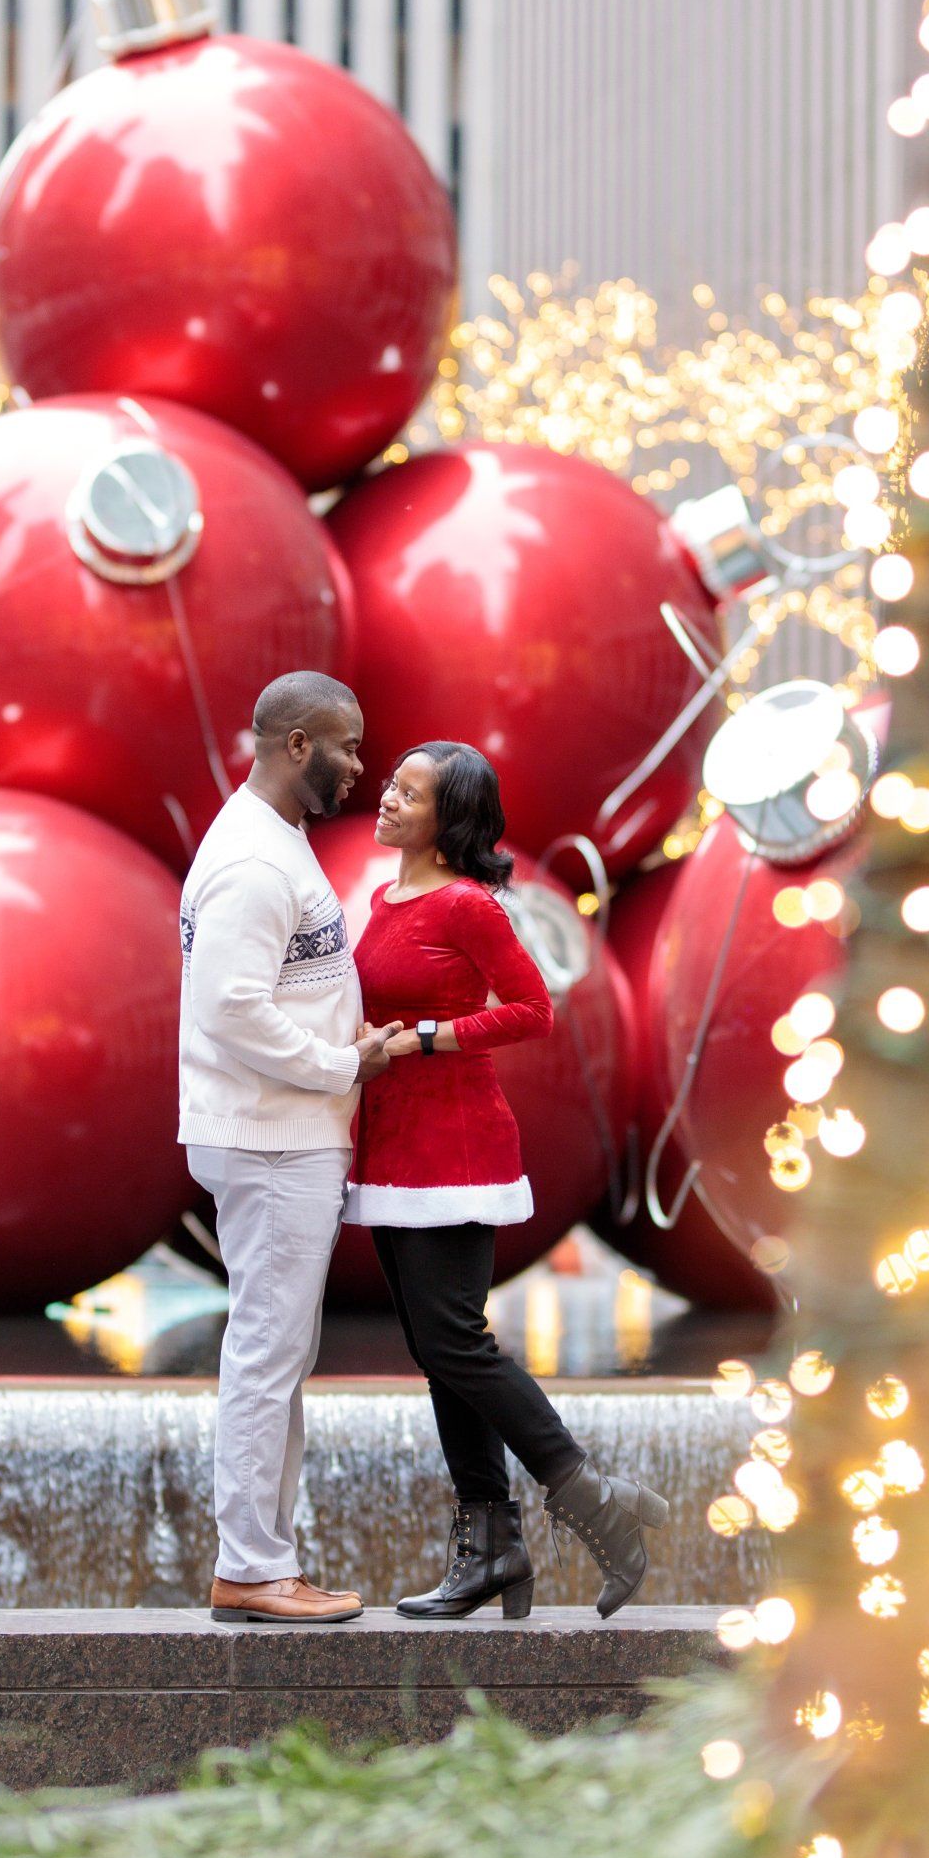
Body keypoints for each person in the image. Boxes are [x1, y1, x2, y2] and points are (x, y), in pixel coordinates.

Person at [347, 740, 668, 1620]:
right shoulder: (381, 900)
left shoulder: (469, 904)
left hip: (456, 1144)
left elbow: (533, 1008)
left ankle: (596, 1504)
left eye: (408, 795)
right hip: (392, 1145)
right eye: (392, 786)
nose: (387, 799)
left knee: (455, 1343)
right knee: (434, 1350)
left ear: (448, 822)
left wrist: (428, 1038)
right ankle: (491, 1546)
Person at [179, 669, 392, 1623]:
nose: (359, 766)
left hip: (281, 1132)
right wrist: (340, 1065)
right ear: (297, 745)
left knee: (277, 1348)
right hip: (272, 1138)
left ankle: (265, 1558)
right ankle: (253, 1567)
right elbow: (229, 1008)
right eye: (346, 746)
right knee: (268, 1352)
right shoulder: (256, 864)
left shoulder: (274, 843)